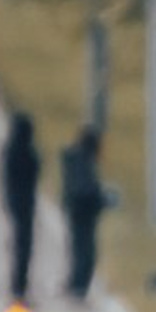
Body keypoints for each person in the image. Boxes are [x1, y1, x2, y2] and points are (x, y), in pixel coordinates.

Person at [60, 126, 111, 302]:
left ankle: (76, 284)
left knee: (78, 249)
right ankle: (79, 287)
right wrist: (101, 201)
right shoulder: (83, 162)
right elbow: (85, 191)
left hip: (77, 212)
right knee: (85, 252)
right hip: (83, 213)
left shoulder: (74, 160)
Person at [0, 113, 40, 302]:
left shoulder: (9, 150)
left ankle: (18, 286)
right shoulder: (25, 151)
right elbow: (35, 170)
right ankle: (19, 287)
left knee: (20, 245)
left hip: (14, 202)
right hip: (24, 203)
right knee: (23, 246)